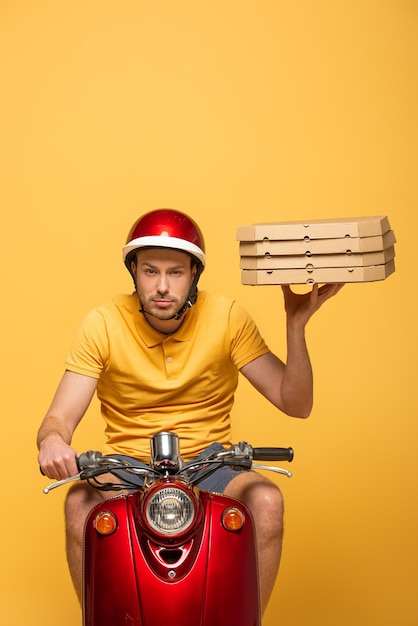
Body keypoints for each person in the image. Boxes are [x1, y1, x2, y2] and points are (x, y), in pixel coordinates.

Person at [37, 208, 343, 612]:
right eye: (150, 271)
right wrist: (53, 442)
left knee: (267, 502)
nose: (162, 287)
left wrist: (295, 325)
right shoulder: (103, 324)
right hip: (129, 463)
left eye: (176, 273)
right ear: (133, 272)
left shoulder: (227, 317)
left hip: (211, 463)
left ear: (194, 275)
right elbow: (58, 419)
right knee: (79, 504)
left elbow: (296, 403)